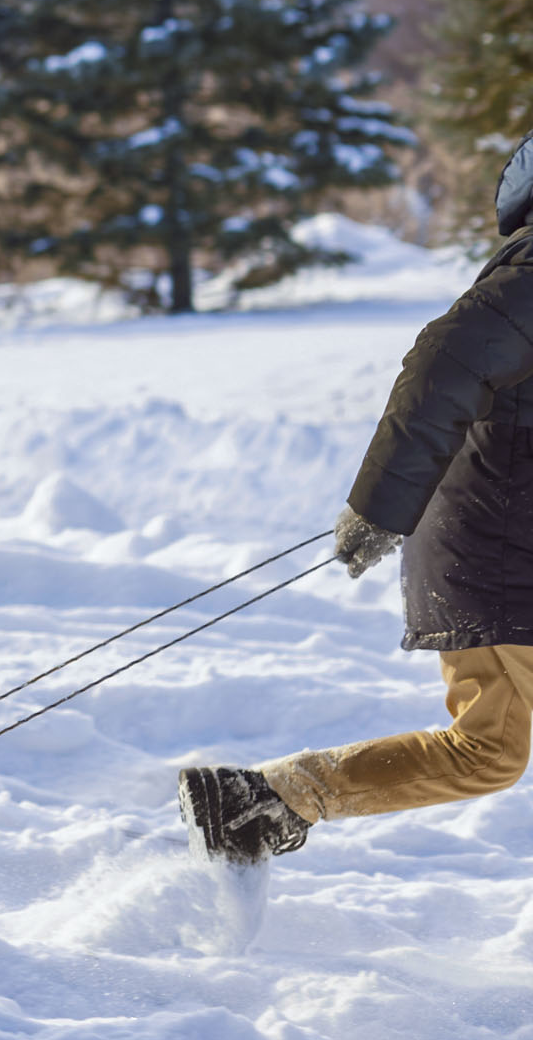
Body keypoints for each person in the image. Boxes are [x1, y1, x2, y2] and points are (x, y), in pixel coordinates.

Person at [181, 135, 533, 864]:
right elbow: (447, 357)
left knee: (488, 750)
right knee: (487, 747)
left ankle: (263, 801)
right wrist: (381, 504)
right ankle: (265, 800)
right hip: (500, 545)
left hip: (497, 535)